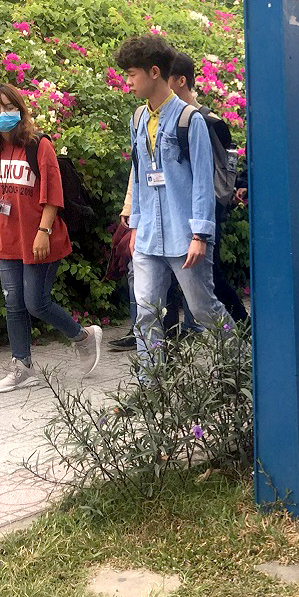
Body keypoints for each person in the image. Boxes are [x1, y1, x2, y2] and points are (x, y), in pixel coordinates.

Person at [0, 83, 102, 392]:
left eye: (7, 107)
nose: (1, 114)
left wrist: (43, 232)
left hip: (41, 238)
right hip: (8, 240)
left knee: (36, 302)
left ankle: (83, 337)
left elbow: (53, 195)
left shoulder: (38, 146)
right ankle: (22, 366)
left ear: (20, 109)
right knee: (13, 303)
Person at [115, 35, 231, 367]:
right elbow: (139, 176)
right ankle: (149, 389)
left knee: (203, 309)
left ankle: (240, 366)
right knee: (145, 312)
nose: (128, 81)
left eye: (132, 74)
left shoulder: (190, 120)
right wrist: (135, 224)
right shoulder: (138, 118)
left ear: (154, 72)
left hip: (185, 238)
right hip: (149, 237)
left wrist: (200, 235)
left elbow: (203, 185)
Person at [167, 52, 248, 322]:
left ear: (180, 81)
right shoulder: (166, 119)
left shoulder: (206, 120)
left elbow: (226, 165)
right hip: (177, 209)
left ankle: (241, 324)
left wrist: (226, 196)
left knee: (210, 278)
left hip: (207, 210)